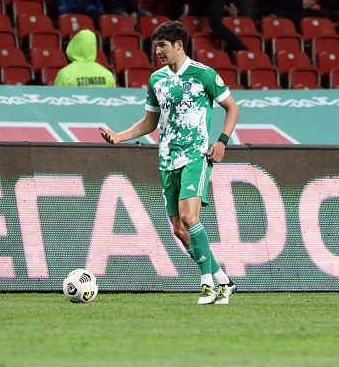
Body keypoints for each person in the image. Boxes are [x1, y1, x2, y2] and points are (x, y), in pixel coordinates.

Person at [99, 20, 239, 305]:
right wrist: (119, 136)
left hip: (196, 155)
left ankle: (207, 285)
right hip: (167, 157)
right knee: (178, 229)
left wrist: (222, 141)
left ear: (178, 45)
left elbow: (232, 108)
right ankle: (224, 280)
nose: (158, 52)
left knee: (189, 217)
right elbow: (149, 122)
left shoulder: (204, 74)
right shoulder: (156, 80)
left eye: (162, 46)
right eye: (156, 47)